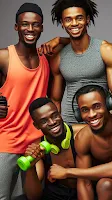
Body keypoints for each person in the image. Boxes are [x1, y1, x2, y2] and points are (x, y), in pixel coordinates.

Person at [47, 84, 112, 200]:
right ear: (78, 114)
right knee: (102, 186)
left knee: (105, 185)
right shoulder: (83, 138)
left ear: (108, 104)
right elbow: (84, 183)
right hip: (103, 192)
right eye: (85, 110)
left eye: (97, 106)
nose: (92, 114)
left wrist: (67, 172)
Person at [0, 3, 49, 199]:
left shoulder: (45, 58)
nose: (30, 29)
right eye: (24, 24)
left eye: (35, 25)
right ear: (16, 27)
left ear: (42, 27)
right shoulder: (4, 56)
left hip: (34, 145)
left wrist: (59, 40)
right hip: (6, 142)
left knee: (28, 198)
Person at [47, 0, 112, 125]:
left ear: (87, 19)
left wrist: (110, 123)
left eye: (79, 18)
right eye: (68, 19)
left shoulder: (105, 50)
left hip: (100, 121)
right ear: (62, 23)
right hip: (70, 123)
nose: (74, 23)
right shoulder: (58, 58)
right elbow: (55, 99)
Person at [24, 97, 85, 200]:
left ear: (59, 113)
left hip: (85, 189)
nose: (52, 122)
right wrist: (30, 167)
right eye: (44, 121)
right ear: (37, 126)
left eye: (55, 115)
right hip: (58, 193)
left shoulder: (82, 133)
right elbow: (33, 196)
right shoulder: (39, 147)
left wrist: (66, 172)